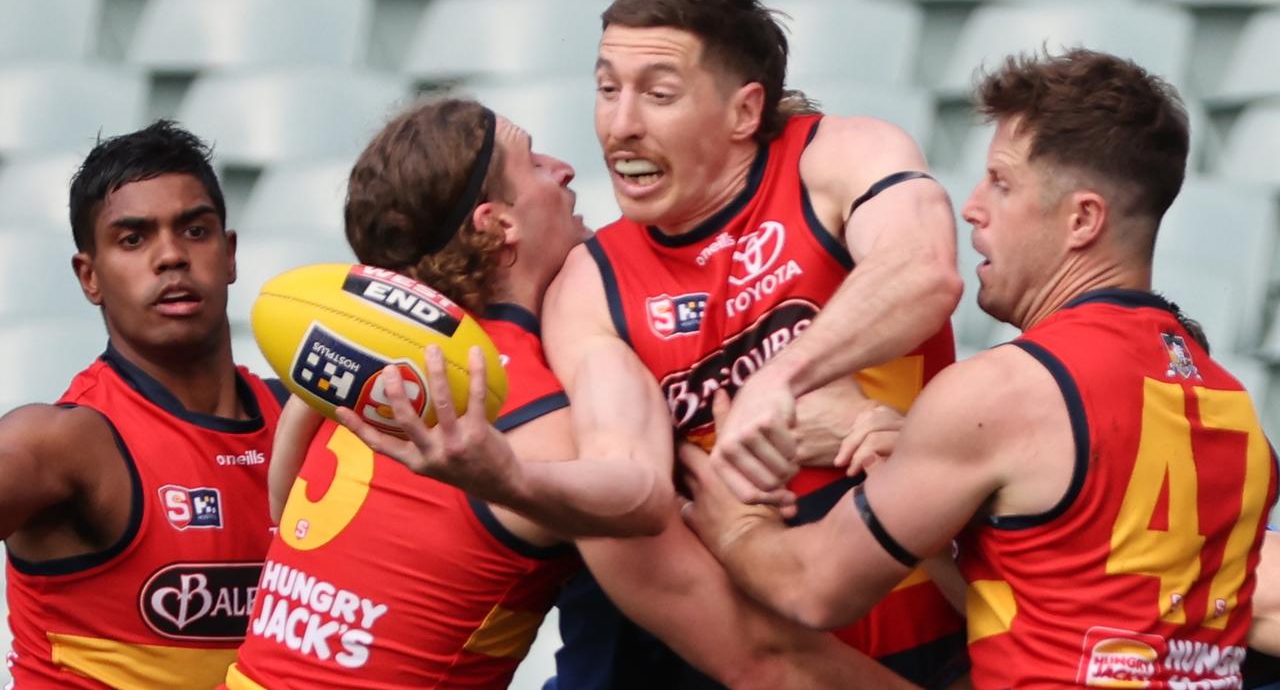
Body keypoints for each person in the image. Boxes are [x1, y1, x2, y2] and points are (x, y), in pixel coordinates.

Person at [223, 98, 910, 689]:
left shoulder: (351, 366)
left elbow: (285, 511)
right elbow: (761, 661)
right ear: (498, 226)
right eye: (534, 161)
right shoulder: (544, 427)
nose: (565, 168)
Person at [682, 48, 1279, 688]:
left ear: (1082, 219)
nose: (971, 206)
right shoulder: (1232, 405)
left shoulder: (1004, 392)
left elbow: (813, 587)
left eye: (1001, 182)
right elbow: (1082, 605)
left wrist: (737, 525)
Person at [534, 0, 967, 685]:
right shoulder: (592, 282)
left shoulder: (836, 157)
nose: (621, 125)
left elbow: (925, 270)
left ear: (744, 111)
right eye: (608, 88)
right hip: (771, 662)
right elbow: (629, 485)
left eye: (659, 93)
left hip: (935, 641)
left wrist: (778, 384)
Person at [0, 121, 284, 688]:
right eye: (134, 239)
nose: (171, 257)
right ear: (90, 277)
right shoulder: (61, 444)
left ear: (229, 256)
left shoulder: (303, 423)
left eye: (195, 231)